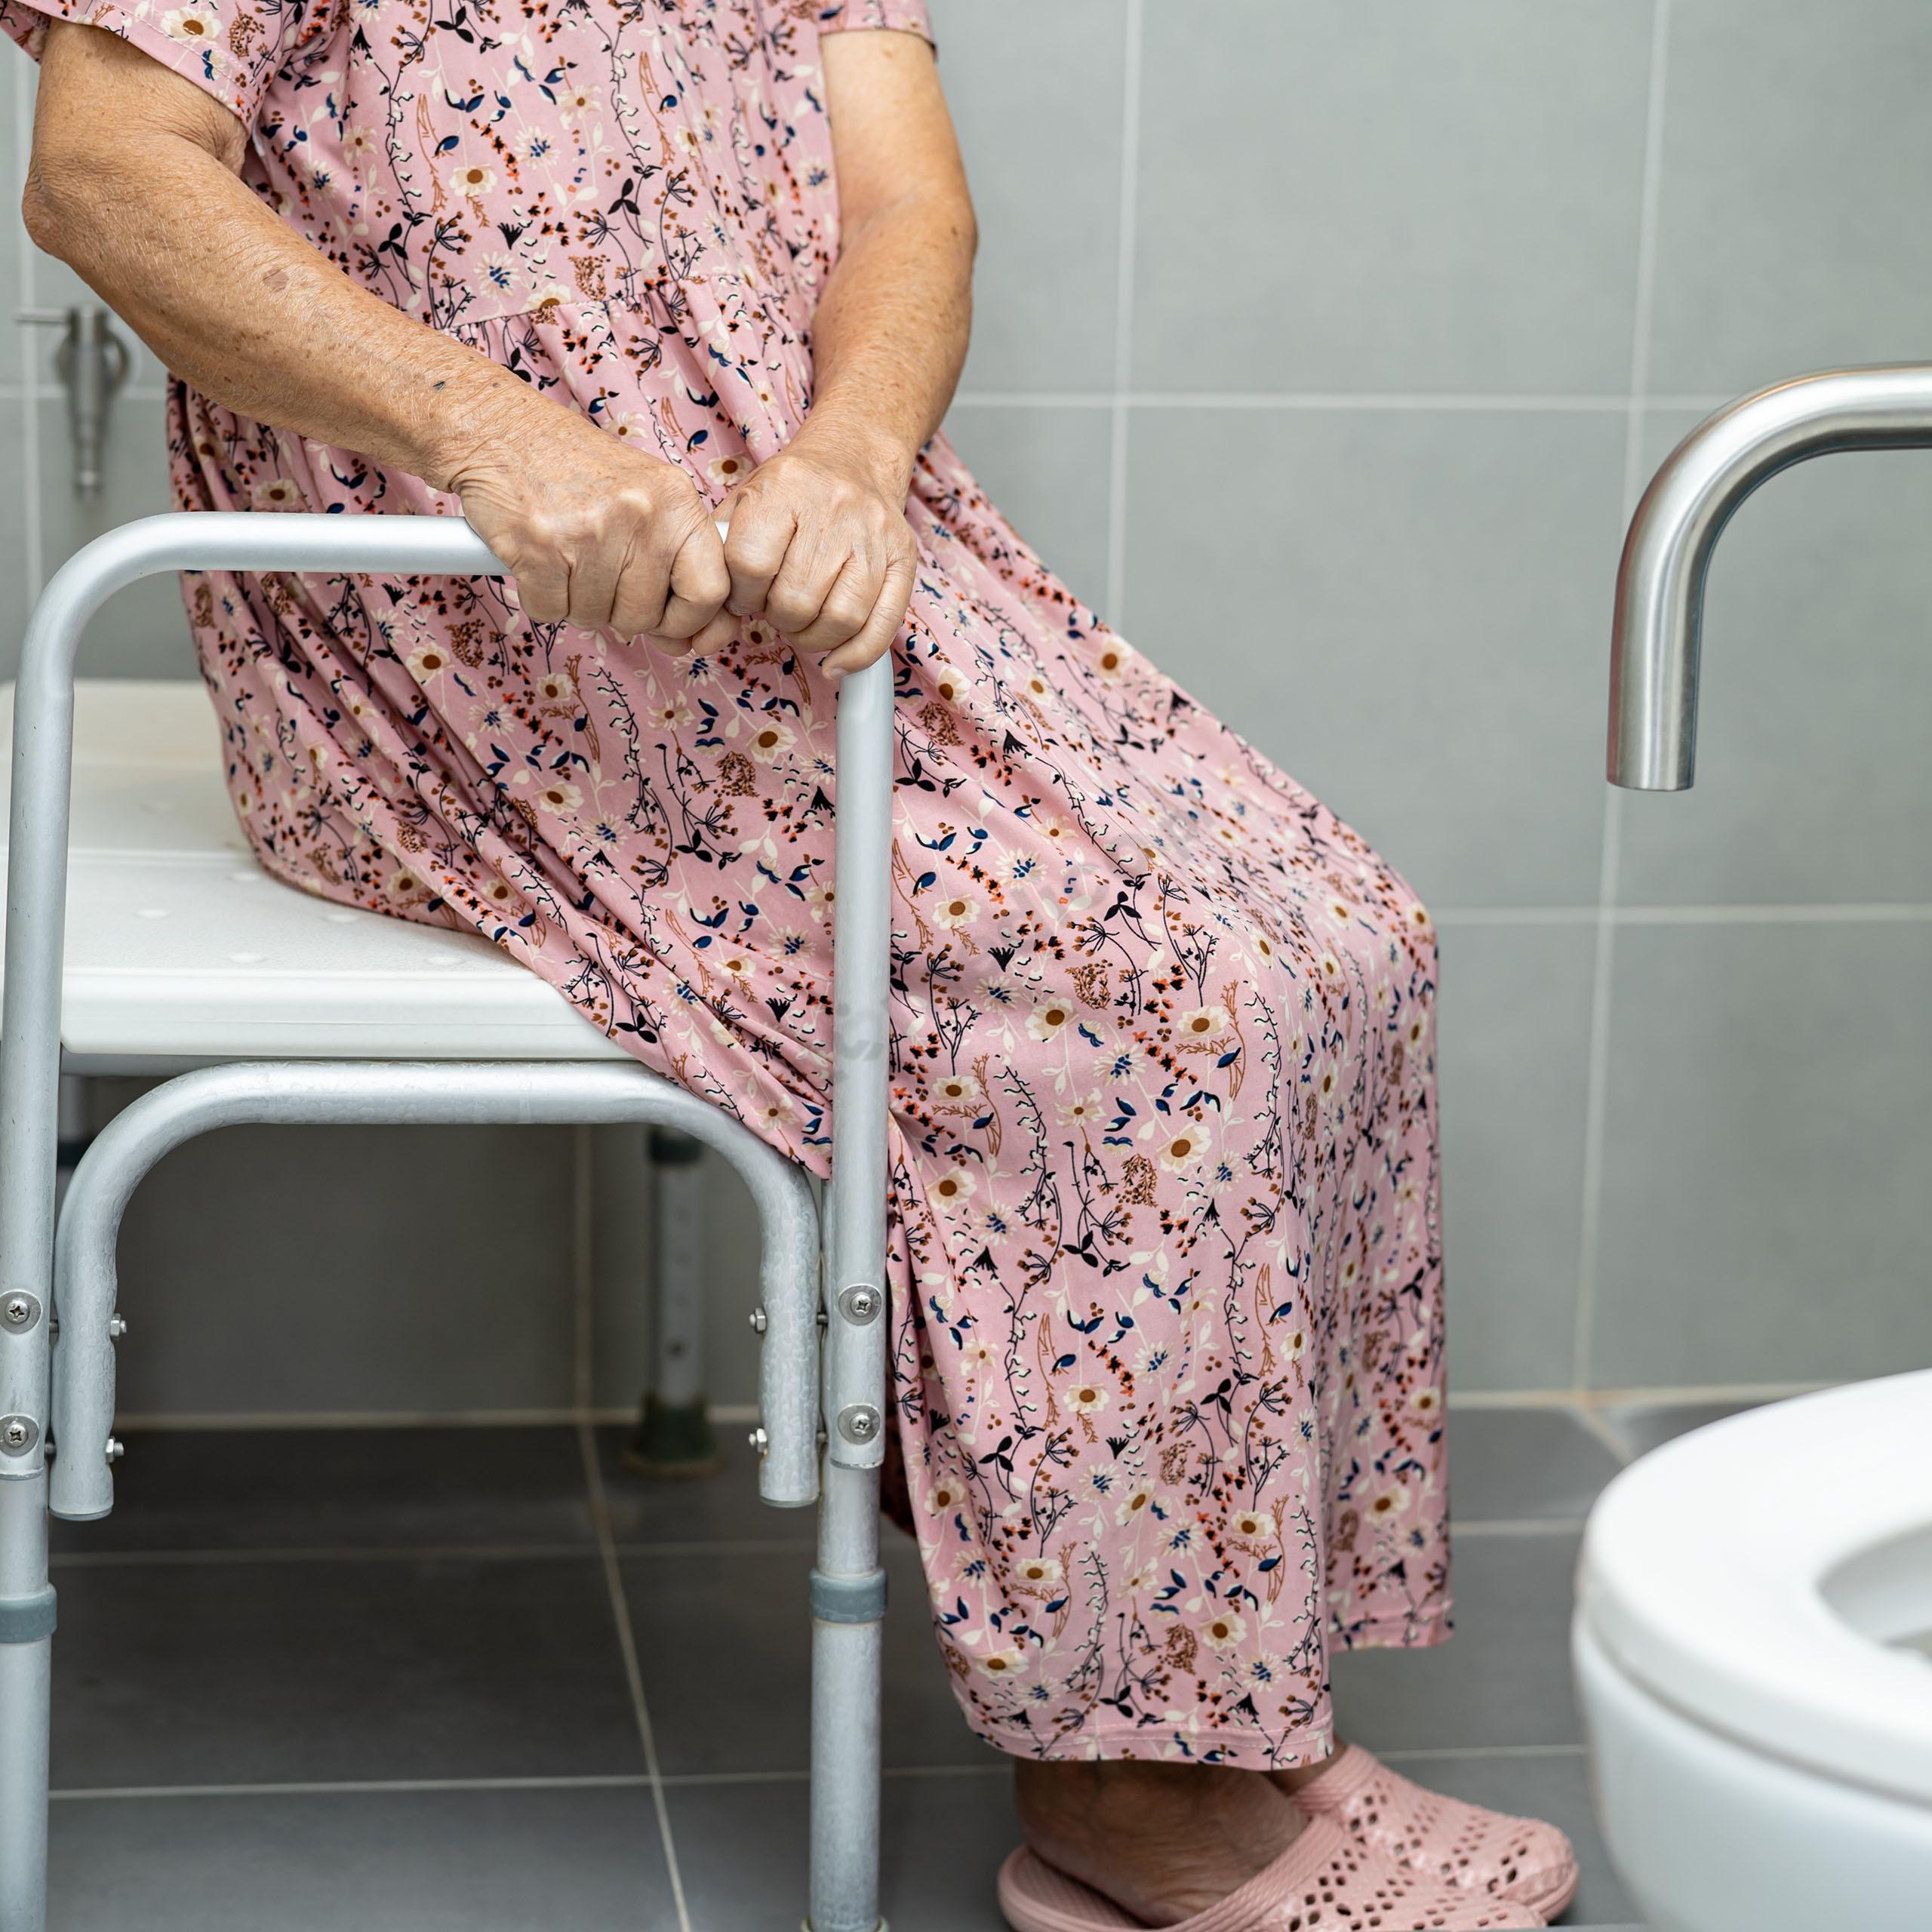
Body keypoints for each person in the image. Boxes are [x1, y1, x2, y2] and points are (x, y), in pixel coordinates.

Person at [14, 2, 1575, 1924]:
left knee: (1337, 932)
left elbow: (909, 207)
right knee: (1144, 1001)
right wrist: (491, 432)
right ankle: (1128, 1794)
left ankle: (1225, 1704)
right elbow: (104, 179)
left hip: (808, 570)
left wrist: (852, 455)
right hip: (462, 620)